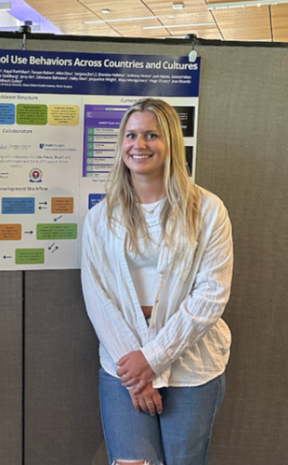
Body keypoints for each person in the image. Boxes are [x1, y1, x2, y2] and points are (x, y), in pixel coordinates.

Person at [81, 98, 232, 465]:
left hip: (191, 366)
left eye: (152, 135)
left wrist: (154, 358)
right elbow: (97, 296)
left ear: (171, 144)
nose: (139, 144)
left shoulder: (208, 210)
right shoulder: (101, 218)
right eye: (131, 135)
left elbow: (211, 295)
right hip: (123, 363)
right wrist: (138, 372)